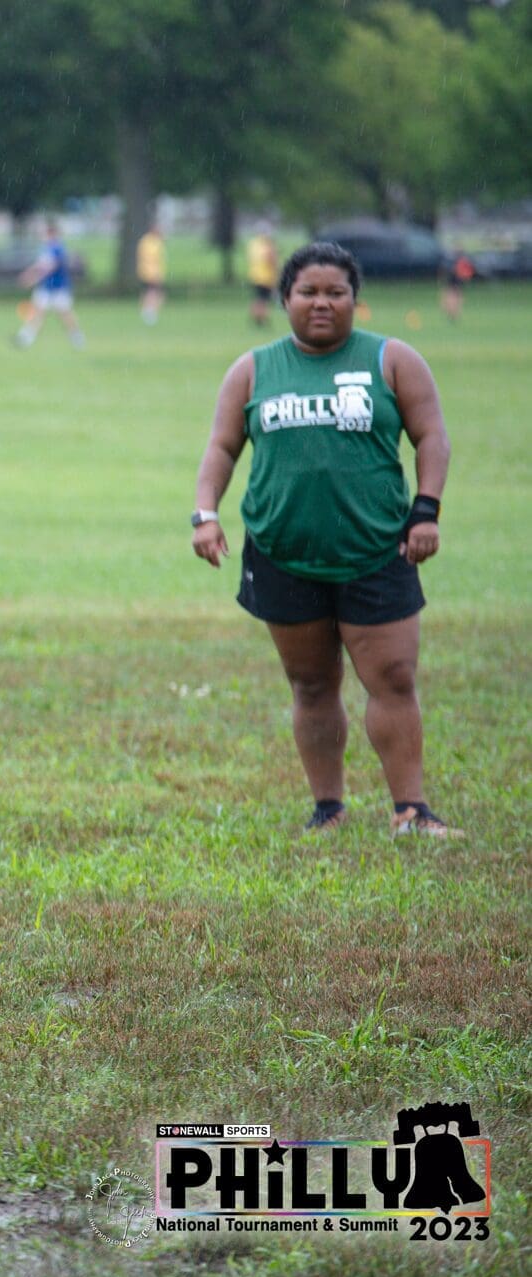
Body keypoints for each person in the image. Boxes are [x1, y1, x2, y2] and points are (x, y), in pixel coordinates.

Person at [188, 242, 458, 837]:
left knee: (392, 678)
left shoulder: (392, 360)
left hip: (377, 550)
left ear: (355, 301)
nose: (321, 303)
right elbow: (222, 447)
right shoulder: (254, 369)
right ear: (284, 298)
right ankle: (328, 808)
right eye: (308, 292)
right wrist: (204, 514)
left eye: (335, 292)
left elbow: (431, 437)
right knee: (310, 683)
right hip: (284, 553)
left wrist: (426, 511)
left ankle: (411, 810)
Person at [13, 218, 83, 349]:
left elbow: (49, 267)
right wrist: (28, 273)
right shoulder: (47, 248)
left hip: (58, 287)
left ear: (51, 233)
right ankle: (26, 337)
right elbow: (40, 265)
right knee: (37, 312)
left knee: (65, 314)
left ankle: (77, 338)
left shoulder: (57, 248)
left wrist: (32, 279)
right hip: (46, 287)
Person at [246, 225, 279, 329]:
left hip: (254, 275)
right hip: (266, 277)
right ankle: (262, 319)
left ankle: (256, 318)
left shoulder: (253, 244)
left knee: (258, 298)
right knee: (263, 300)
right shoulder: (267, 245)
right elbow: (271, 260)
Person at [136, 220, 167, 325]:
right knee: (153, 292)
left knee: (151, 292)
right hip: (150, 272)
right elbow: (149, 258)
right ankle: (149, 311)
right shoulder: (148, 242)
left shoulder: (155, 241)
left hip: (152, 271)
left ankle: (149, 310)